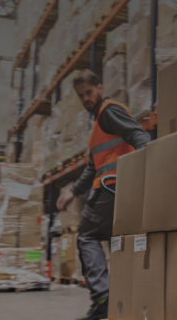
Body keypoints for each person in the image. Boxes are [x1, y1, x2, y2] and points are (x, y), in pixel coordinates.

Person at [56, 70, 150, 320]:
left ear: (99, 88)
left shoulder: (108, 111)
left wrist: (150, 163)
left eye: (88, 92)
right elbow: (91, 166)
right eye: (81, 95)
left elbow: (138, 134)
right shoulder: (98, 123)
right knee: (114, 242)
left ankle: (102, 299)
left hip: (111, 186)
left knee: (87, 236)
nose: (86, 98)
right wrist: (72, 192)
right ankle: (121, 299)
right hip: (117, 186)